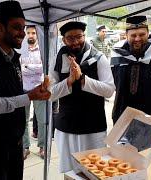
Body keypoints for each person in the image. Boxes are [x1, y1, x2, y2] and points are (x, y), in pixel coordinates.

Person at [0, 1, 50, 180]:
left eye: (24, 27)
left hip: (13, 143)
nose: (22, 33)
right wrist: (28, 97)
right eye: (16, 27)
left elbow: (11, 94)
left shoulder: (12, 57)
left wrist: (35, 93)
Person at [49, 21, 115, 173]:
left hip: (92, 127)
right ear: (64, 40)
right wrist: (69, 81)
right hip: (66, 126)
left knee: (94, 171)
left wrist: (83, 78)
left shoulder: (98, 58)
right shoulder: (57, 60)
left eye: (79, 37)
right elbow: (50, 94)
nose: (75, 41)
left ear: (84, 36)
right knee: (69, 171)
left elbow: (109, 90)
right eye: (70, 38)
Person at [111, 15, 151, 124]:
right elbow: (114, 81)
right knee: (124, 141)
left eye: (142, 34)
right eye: (133, 35)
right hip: (123, 112)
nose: (137, 39)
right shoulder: (118, 53)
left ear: (148, 33)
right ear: (127, 35)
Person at [20, 25, 46, 159]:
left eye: (33, 33)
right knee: (23, 120)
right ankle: (25, 147)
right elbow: (19, 68)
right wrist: (35, 69)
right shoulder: (20, 50)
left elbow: (43, 68)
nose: (30, 35)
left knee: (42, 120)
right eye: (28, 33)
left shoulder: (42, 49)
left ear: (37, 35)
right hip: (23, 89)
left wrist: (27, 67)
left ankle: (42, 147)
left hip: (40, 89)